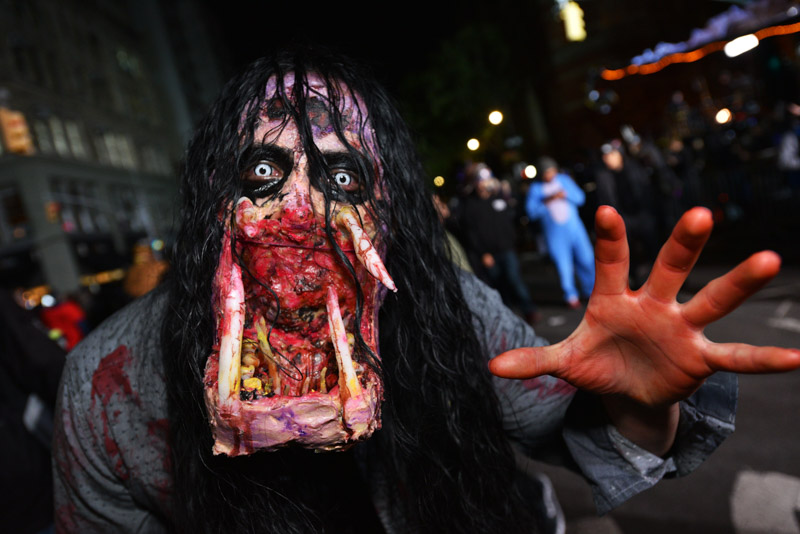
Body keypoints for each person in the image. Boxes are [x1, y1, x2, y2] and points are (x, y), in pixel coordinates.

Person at [53, 47, 800, 534]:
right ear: (212, 198)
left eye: (343, 177)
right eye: (264, 172)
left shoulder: (451, 311)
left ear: (388, 210)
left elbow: (597, 445)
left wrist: (642, 400)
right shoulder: (109, 391)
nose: (302, 209)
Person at [459, 163, 539, 323]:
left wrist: (505, 193)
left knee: (515, 279)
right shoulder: (470, 205)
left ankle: (529, 310)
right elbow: (471, 233)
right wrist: (483, 253)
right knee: (499, 285)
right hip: (489, 253)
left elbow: (513, 216)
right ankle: (508, 317)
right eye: (481, 180)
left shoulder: (499, 198)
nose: (485, 183)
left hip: (507, 248)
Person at [525, 157, 594, 308]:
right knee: (563, 266)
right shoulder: (536, 188)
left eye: (552, 171)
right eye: (546, 172)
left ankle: (590, 290)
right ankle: (570, 295)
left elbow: (580, 198)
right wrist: (548, 201)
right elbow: (531, 212)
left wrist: (566, 195)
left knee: (586, 259)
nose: (550, 175)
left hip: (575, 229)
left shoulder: (564, 180)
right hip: (555, 234)